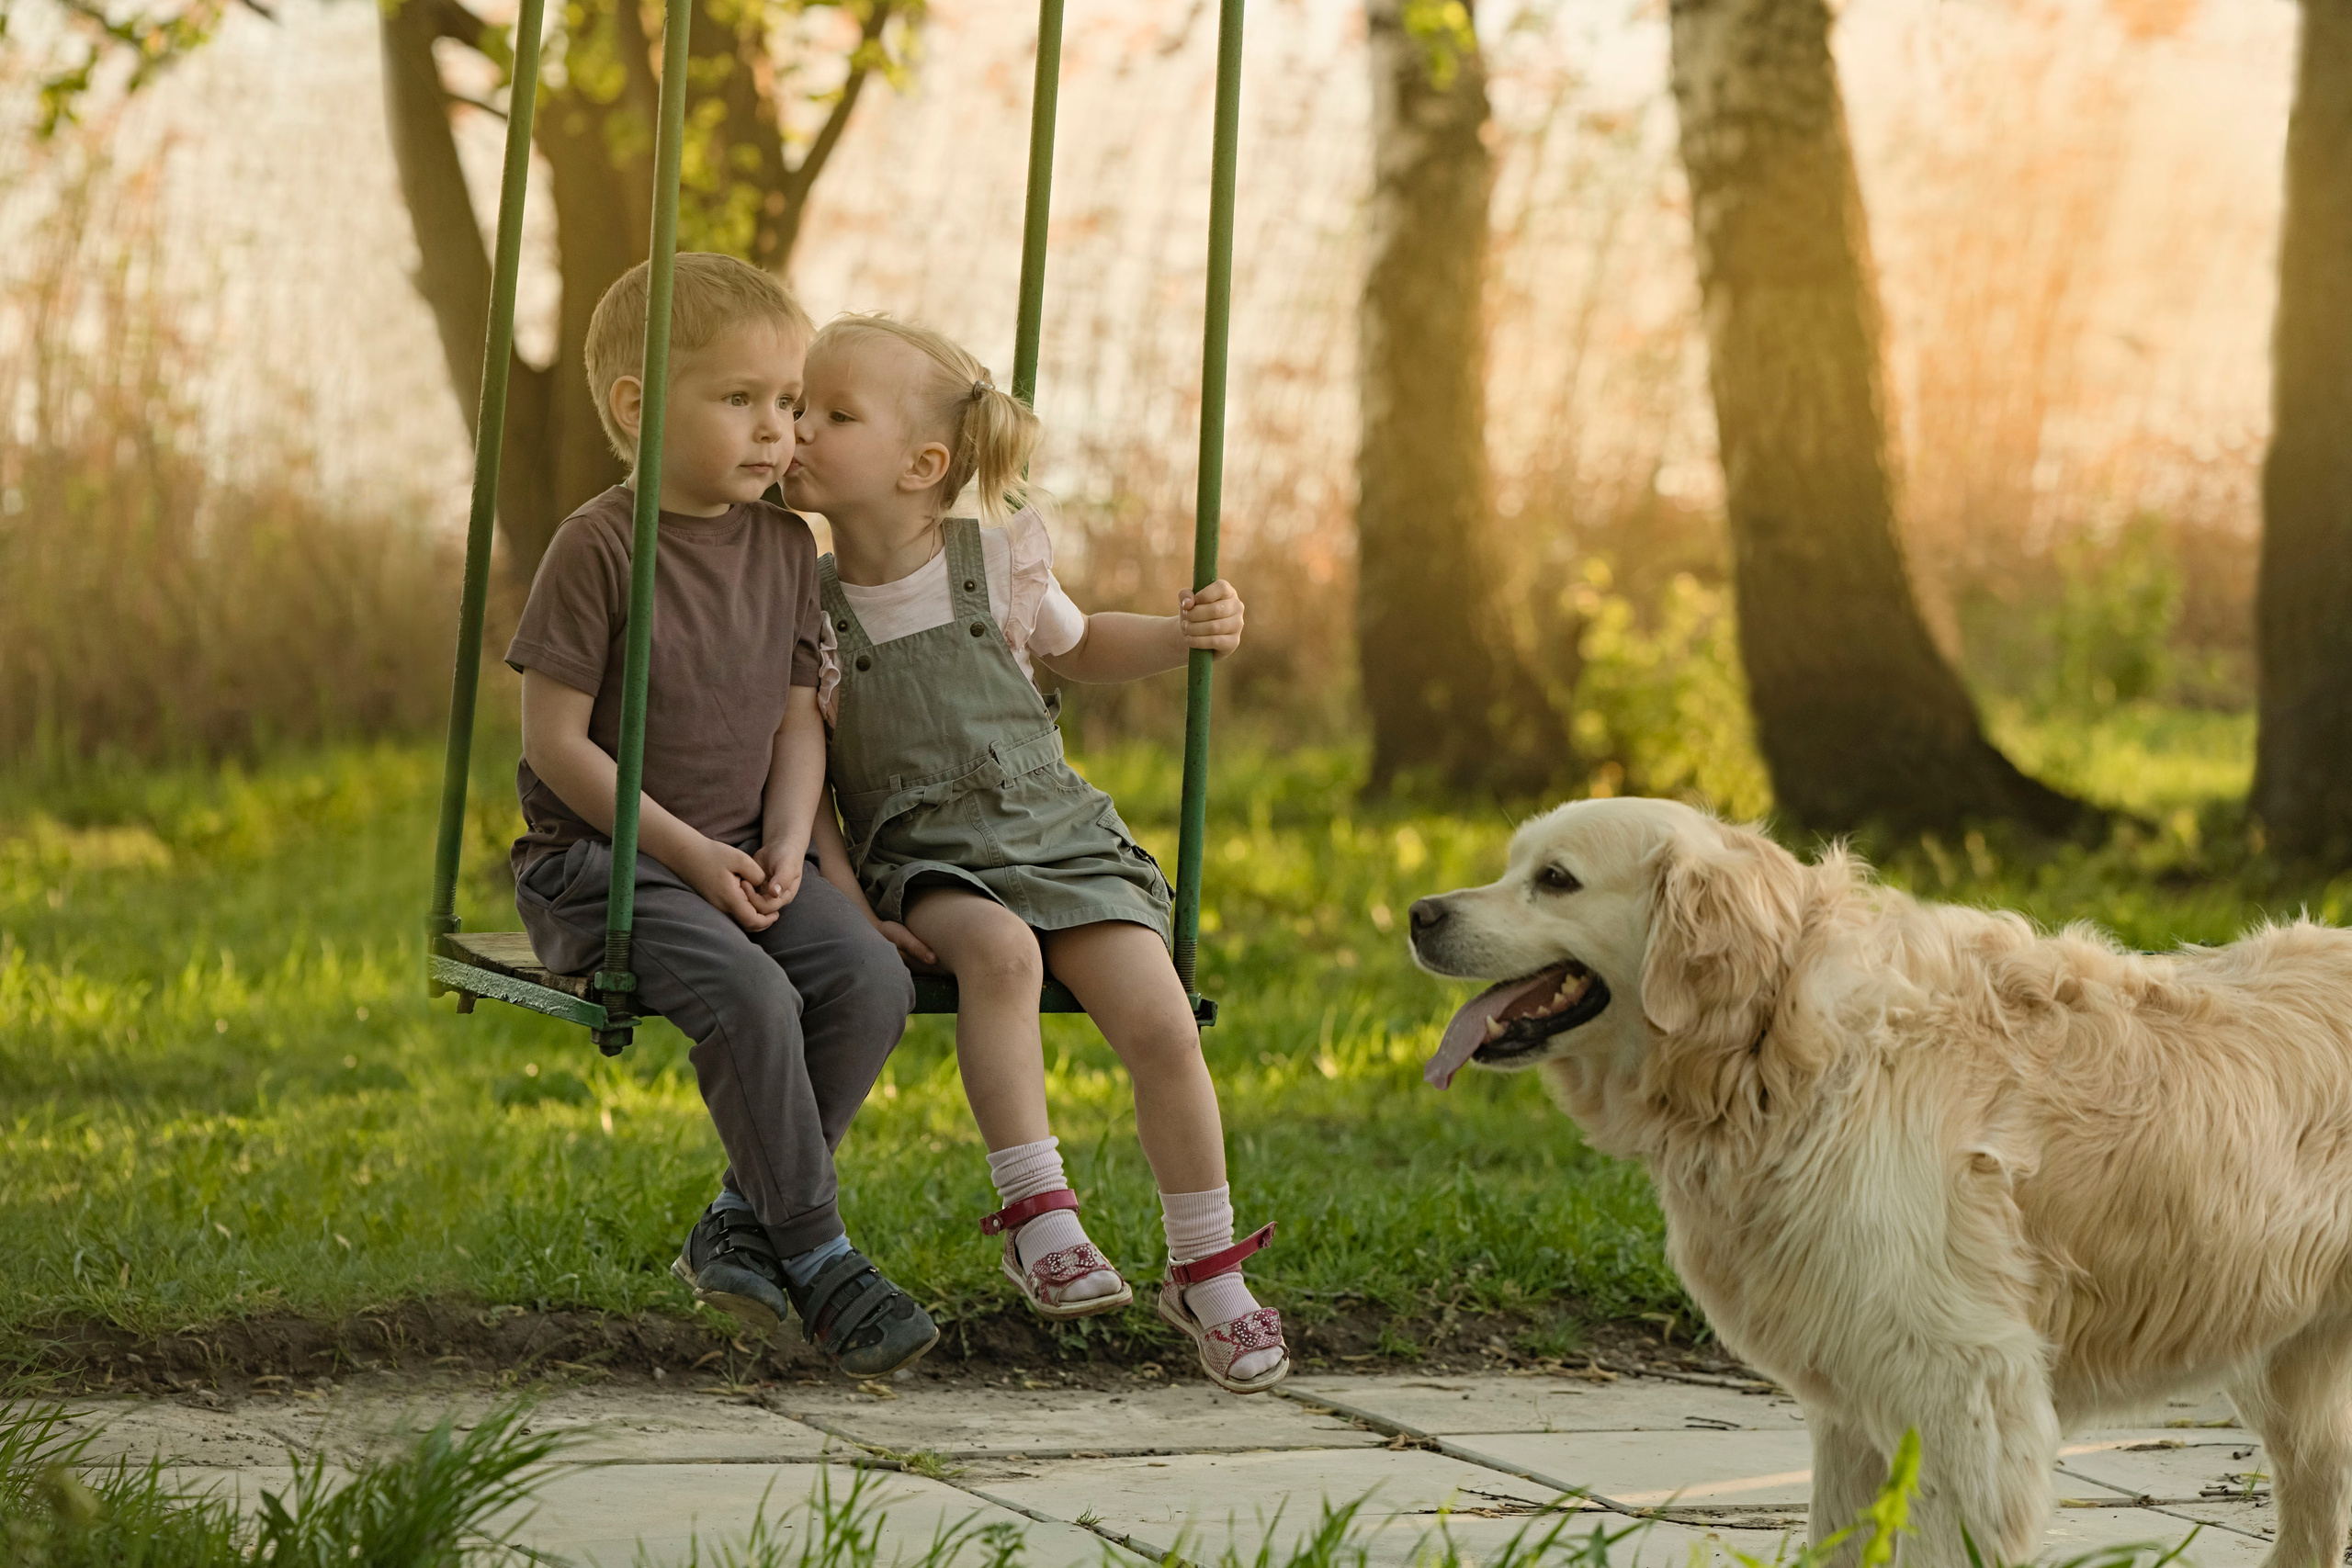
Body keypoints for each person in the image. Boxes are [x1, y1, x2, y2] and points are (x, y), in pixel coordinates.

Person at [787, 312, 1287, 1393]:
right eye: (797, 407)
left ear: (924, 465)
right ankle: (1037, 1213)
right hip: (927, 857)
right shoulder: (805, 603)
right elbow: (803, 770)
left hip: (1056, 831)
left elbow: (1083, 642)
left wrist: (1178, 634)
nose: (799, 429)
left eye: (832, 413)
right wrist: (842, 893)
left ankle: (1206, 1264)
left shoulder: (997, 562)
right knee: (1002, 957)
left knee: (1158, 1018)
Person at [504, 255, 935, 1379]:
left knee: (869, 980)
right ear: (637, 407)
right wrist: (692, 855)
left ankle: (739, 1224)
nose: (775, 431)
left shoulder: (790, 549)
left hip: (745, 860)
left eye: (789, 404)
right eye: (740, 400)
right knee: (750, 995)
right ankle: (824, 1256)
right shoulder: (597, 546)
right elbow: (554, 744)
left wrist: (790, 846)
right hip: (605, 869)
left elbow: (801, 722)